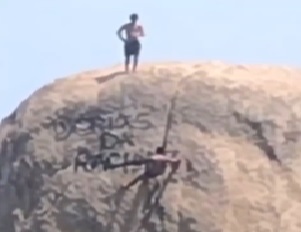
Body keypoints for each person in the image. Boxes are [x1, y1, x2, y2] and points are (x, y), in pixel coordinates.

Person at [104, 146, 181, 189]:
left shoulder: (159, 157)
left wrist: (175, 162)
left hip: (154, 172)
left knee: (137, 170)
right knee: (139, 175)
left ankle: (126, 185)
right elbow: (173, 160)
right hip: (152, 171)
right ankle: (129, 185)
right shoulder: (161, 157)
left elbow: (172, 160)